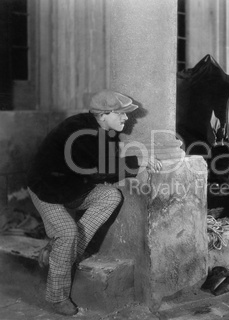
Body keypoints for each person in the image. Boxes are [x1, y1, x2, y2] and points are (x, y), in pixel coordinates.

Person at [27, 89, 162, 315]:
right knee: (67, 232)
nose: (126, 118)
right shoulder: (80, 131)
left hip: (72, 188)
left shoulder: (101, 130)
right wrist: (142, 161)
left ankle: (58, 253)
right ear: (104, 114)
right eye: (121, 114)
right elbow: (103, 169)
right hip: (46, 189)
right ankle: (57, 297)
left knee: (110, 196)